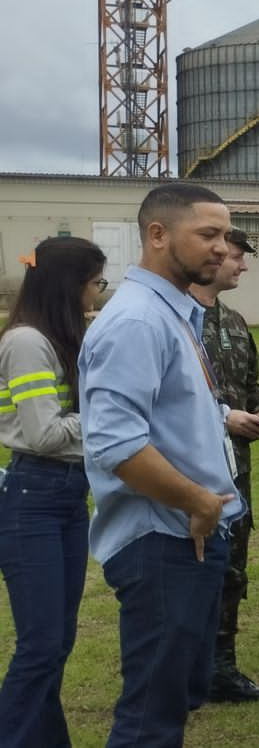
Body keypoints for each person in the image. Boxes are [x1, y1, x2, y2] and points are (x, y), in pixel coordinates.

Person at [80, 183, 255, 746]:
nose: (222, 249)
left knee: (178, 695)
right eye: (208, 234)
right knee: (150, 716)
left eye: (225, 235)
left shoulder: (173, 313)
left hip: (193, 535)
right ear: (158, 234)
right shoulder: (136, 321)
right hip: (166, 538)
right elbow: (116, 444)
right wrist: (198, 501)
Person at [0, 237, 105, 746]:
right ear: (70, 284)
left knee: (58, 640)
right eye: (95, 283)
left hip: (68, 496)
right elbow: (43, 435)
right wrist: (109, 425)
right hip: (32, 497)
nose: (98, 293)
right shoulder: (26, 342)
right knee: (40, 644)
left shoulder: (60, 336)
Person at [192, 228, 259, 702]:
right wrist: (223, 420)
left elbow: (250, 384)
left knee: (231, 568)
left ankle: (221, 668)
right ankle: (186, 669)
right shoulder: (177, 321)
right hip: (188, 471)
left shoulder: (233, 322)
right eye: (237, 257)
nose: (243, 266)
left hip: (236, 471)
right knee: (189, 568)